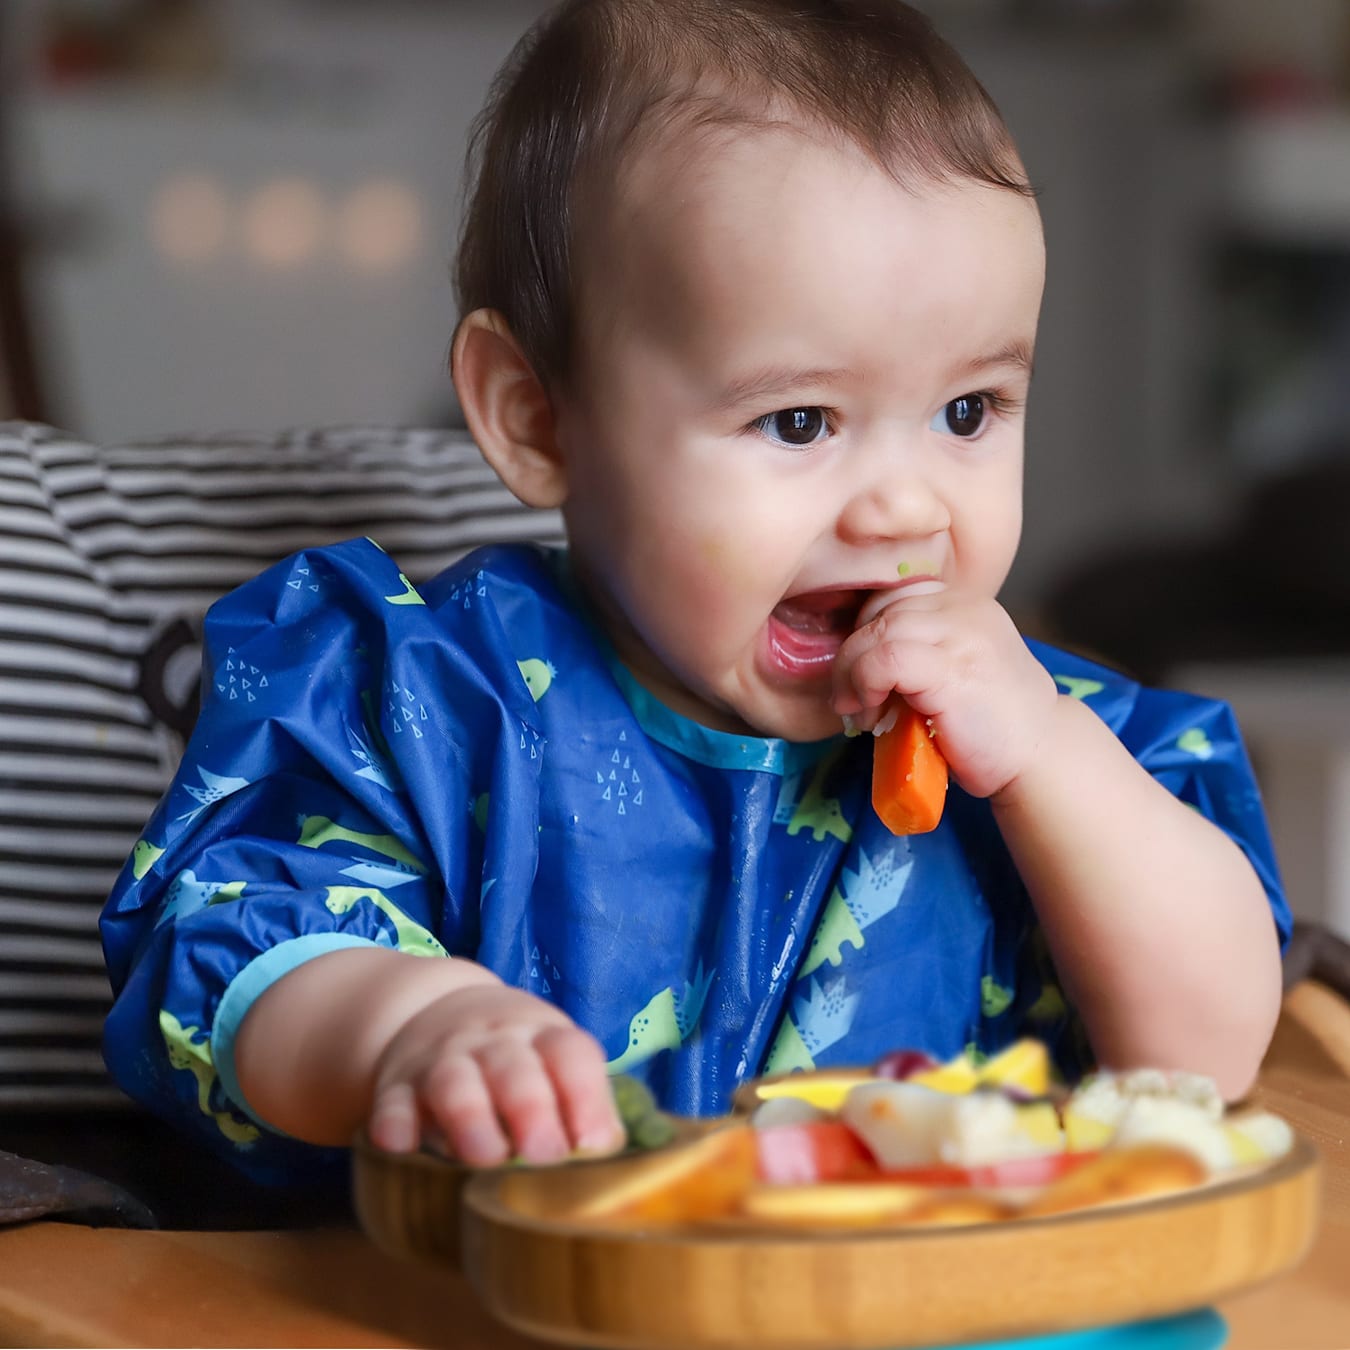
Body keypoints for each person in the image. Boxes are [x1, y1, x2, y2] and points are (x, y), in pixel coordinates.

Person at [101, 0, 1289, 1184]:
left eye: (967, 412)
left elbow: (1210, 1054)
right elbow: (232, 955)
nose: (906, 508)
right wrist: (408, 1030)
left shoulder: (1055, 744)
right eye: (798, 419)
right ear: (537, 418)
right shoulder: (420, 701)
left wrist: (1049, 760)